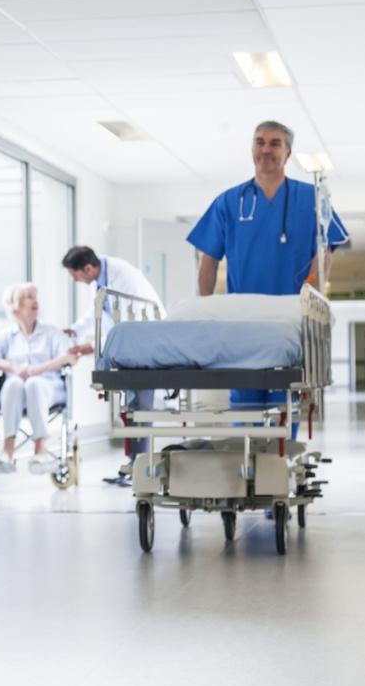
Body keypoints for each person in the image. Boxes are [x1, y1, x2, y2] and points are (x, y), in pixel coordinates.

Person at [186, 119, 349, 412]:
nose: (266, 149)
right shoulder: (229, 201)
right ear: (251, 150)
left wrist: (308, 291)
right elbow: (208, 259)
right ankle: (248, 459)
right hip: (244, 321)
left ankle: (280, 458)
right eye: (259, 142)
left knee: (285, 407)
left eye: (275, 143)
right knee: (245, 412)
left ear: (288, 153)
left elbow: (326, 250)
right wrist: (205, 309)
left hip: (290, 319)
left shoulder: (311, 198)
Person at [62, 246, 164, 485]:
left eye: (76, 276)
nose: (77, 281)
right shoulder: (100, 280)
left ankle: (142, 467)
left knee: (141, 408)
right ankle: (132, 465)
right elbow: (98, 313)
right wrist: (76, 330)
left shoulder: (123, 278)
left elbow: (127, 322)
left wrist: (93, 347)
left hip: (145, 344)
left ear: (88, 268)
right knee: (132, 408)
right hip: (129, 348)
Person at [0, 283, 79, 474]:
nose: (35, 301)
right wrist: (12, 367)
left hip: (48, 388)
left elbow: (71, 356)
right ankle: (7, 450)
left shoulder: (51, 333)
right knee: (14, 382)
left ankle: (40, 450)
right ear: (15, 305)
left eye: (35, 296)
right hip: (14, 393)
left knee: (34, 383)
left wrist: (38, 369)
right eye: (28, 297)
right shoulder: (8, 335)